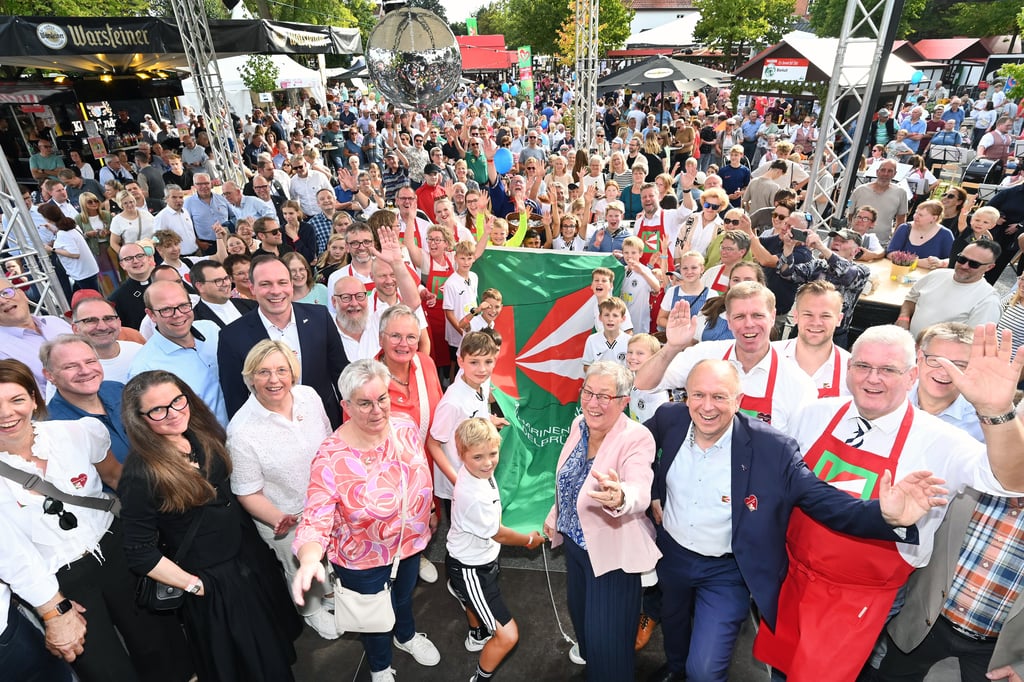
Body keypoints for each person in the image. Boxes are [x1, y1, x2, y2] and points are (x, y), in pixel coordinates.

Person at [751, 323, 1024, 681]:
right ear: (849, 368)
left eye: (888, 370)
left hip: (860, 596)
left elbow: (1012, 481)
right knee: (782, 670)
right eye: (863, 366)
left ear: (912, 376)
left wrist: (996, 411)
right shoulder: (814, 414)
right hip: (794, 578)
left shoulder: (943, 441)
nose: (872, 379)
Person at [645, 359, 944, 682]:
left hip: (727, 571)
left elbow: (822, 499)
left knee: (704, 670)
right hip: (672, 556)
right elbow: (636, 452)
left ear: (739, 401)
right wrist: (653, 492)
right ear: (685, 397)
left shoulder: (771, 448)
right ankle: (675, 669)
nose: (707, 407)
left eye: (719, 397)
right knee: (674, 630)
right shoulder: (669, 419)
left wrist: (885, 515)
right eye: (698, 395)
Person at [0, 359, 192, 682]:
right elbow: (12, 555)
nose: (7, 413)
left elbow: (117, 478)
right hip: (61, 582)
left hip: (117, 552)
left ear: (34, 399)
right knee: (106, 670)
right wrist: (53, 608)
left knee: (162, 647)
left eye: (16, 399)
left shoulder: (77, 432)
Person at [119, 370, 302, 682]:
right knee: (247, 666)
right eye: (158, 410)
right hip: (214, 583)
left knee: (271, 654)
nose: (174, 413)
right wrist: (195, 586)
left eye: (178, 400)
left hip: (248, 563)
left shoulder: (200, 435)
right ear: (140, 419)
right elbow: (139, 552)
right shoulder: (141, 473)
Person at [292, 360, 440, 682]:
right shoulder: (331, 456)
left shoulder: (405, 427)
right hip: (362, 560)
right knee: (372, 619)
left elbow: (419, 474)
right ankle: (380, 667)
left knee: (403, 598)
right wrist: (309, 559)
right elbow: (316, 517)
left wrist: (427, 512)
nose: (377, 410)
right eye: (364, 403)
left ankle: (406, 635)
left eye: (382, 398)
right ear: (345, 406)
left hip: (409, 545)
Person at [542, 361, 661, 681]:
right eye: (588, 392)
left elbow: (639, 487)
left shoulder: (637, 438)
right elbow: (569, 478)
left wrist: (622, 497)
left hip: (612, 559)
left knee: (608, 648)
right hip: (577, 550)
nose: (593, 402)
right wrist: (556, 514)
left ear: (624, 401)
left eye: (604, 396)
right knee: (584, 627)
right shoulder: (579, 424)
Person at [226, 340, 336, 639]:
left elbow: (329, 443)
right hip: (284, 516)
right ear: (250, 378)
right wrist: (278, 518)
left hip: (323, 505)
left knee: (325, 557)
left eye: (281, 370)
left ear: (293, 373)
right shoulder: (241, 432)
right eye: (263, 372)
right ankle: (311, 611)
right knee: (296, 564)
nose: (274, 380)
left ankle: (327, 594)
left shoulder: (309, 397)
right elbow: (247, 492)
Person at [634, 281, 817, 435]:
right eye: (739, 317)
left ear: (773, 317)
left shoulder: (798, 384)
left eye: (757, 315)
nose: (749, 324)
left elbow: (802, 450)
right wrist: (672, 347)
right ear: (728, 320)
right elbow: (644, 383)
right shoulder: (704, 354)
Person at [447, 418, 542, 682]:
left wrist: (488, 424)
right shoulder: (475, 496)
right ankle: (480, 678)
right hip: (470, 570)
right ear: (461, 453)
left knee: (475, 600)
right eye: (478, 456)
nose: (488, 463)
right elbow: (499, 533)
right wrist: (529, 541)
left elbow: (473, 435)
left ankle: (477, 633)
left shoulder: (476, 471)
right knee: (508, 635)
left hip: (474, 558)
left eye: (493, 453)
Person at [218, 255, 349, 427]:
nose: (276, 291)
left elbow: (341, 373)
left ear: (291, 284)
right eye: (265, 284)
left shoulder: (320, 317)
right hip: (271, 432)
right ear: (252, 288)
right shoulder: (232, 336)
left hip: (324, 421)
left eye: (282, 282)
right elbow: (236, 398)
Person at [42, 335, 130, 465]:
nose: (85, 371)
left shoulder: (118, 390)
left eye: (90, 361)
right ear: (49, 375)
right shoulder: (52, 428)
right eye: (70, 366)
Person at [777, 229, 871, 347]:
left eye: (843, 241)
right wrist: (788, 249)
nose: (836, 243)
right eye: (835, 240)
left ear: (856, 251)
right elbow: (787, 274)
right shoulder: (818, 265)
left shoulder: (862, 271)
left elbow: (848, 274)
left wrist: (821, 247)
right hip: (804, 330)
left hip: (834, 336)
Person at [897, 240, 1002, 337]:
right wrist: (904, 317)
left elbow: (973, 342)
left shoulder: (988, 301)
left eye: (974, 264)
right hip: (908, 345)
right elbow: (911, 298)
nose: (965, 266)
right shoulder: (936, 275)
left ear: (989, 267)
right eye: (962, 259)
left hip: (935, 356)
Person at [0, 276, 73, 393]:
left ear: (22, 294)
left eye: (6, 292)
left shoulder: (54, 321)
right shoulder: (2, 352)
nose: (3, 301)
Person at [848, 159, 909, 245]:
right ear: (877, 172)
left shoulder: (901, 193)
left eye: (890, 171)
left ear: (895, 174)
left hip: (882, 243)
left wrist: (895, 241)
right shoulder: (860, 190)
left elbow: (901, 220)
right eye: (883, 170)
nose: (885, 174)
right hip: (855, 241)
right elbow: (849, 213)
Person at [189, 260, 259, 328]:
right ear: (200, 286)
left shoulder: (251, 305)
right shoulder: (195, 321)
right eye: (218, 280)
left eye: (226, 278)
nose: (226, 284)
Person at [108, 242, 156, 330]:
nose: (136, 261)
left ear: (148, 258)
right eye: (128, 258)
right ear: (122, 265)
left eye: (140, 256)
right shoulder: (117, 299)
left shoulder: (165, 281)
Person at [886, 201, 955, 261]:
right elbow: (890, 253)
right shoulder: (904, 228)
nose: (915, 216)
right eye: (916, 213)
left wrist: (940, 263)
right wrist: (917, 262)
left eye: (920, 215)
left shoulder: (945, 234)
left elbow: (951, 260)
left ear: (934, 218)